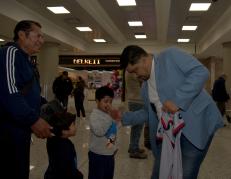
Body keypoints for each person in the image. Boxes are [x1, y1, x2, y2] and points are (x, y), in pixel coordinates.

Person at [120, 45, 224, 179]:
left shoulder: (170, 56)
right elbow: (148, 113)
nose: (136, 76)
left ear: (143, 60)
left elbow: (201, 72)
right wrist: (123, 118)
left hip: (195, 127)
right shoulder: (145, 88)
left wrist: (178, 100)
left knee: (185, 174)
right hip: (169, 135)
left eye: (135, 71)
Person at [0, 20, 53, 179]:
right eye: (38, 36)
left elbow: (31, 94)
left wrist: (51, 109)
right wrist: (33, 120)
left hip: (21, 129)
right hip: (7, 130)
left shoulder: (29, 61)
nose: (42, 41)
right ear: (22, 35)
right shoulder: (10, 53)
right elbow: (10, 92)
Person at [40, 97, 83, 179]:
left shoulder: (53, 140)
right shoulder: (65, 146)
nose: (75, 127)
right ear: (64, 131)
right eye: (73, 124)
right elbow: (67, 168)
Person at [88, 86, 118, 179]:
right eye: (106, 101)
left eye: (110, 102)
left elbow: (113, 132)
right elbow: (99, 132)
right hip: (97, 155)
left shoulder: (108, 115)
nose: (108, 104)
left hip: (108, 154)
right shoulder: (94, 116)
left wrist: (112, 147)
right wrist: (110, 118)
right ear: (97, 101)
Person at [125, 72, 147, 159]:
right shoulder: (132, 72)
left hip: (134, 101)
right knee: (137, 128)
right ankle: (134, 150)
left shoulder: (128, 72)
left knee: (136, 127)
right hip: (137, 102)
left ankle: (133, 147)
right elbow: (143, 80)